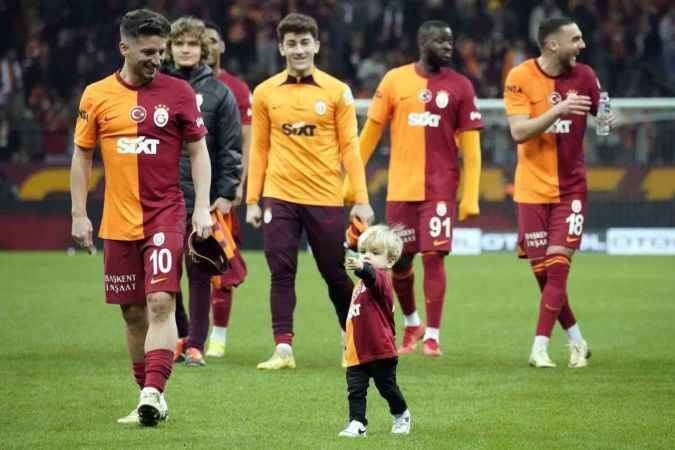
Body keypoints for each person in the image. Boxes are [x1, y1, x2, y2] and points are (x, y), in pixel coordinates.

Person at [70, 9, 212, 426]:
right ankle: (148, 396)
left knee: (160, 302)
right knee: (132, 313)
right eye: (148, 51)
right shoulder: (96, 95)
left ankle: (153, 391)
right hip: (117, 220)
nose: (157, 58)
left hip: (166, 214)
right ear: (124, 47)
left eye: (161, 50)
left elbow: (198, 150)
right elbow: (82, 155)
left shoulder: (180, 92)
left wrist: (201, 205)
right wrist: (79, 214)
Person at [344, 20, 483, 357]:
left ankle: (433, 335)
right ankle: (412, 322)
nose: (449, 47)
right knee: (400, 261)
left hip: (440, 187)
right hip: (401, 188)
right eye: (442, 41)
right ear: (423, 43)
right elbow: (370, 135)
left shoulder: (461, 86)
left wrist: (471, 195)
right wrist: (350, 182)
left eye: (451, 41)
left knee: (434, 256)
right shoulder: (394, 80)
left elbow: (473, 146)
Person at [246, 13, 374, 370]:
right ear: (281, 47)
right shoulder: (265, 92)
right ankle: (283, 348)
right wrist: (252, 199)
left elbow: (351, 147)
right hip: (279, 194)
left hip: (325, 196)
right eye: (292, 43)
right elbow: (258, 149)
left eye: (305, 42)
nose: (299, 49)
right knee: (281, 270)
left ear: (316, 45)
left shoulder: (337, 91)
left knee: (335, 272)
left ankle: (353, 338)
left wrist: (361, 199)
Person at [503, 16, 616, 368]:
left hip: (571, 190)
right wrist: (559, 109)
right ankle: (578, 341)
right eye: (575, 39)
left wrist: (607, 119)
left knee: (557, 267)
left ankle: (539, 348)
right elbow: (519, 132)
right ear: (553, 44)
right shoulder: (519, 77)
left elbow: (604, 111)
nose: (582, 45)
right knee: (543, 273)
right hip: (531, 188)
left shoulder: (585, 76)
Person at [164, 16, 242, 367]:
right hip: (162, 195)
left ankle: (196, 343)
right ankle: (180, 334)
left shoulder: (219, 92)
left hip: (202, 197)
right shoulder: (157, 86)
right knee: (166, 271)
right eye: (179, 43)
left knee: (199, 270)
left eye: (192, 44)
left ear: (202, 48)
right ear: (170, 47)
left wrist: (225, 192)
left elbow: (230, 147)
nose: (185, 49)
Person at [202, 20, 252, 358]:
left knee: (221, 263)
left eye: (211, 40)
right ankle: (185, 335)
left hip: (220, 189)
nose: (205, 45)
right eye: (198, 40)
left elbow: (246, 142)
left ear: (222, 46)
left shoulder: (235, 88)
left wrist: (237, 185)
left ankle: (218, 335)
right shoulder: (174, 84)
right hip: (182, 189)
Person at [340, 225, 411, 437]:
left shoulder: (382, 280)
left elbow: (372, 276)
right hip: (357, 350)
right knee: (355, 390)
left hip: (380, 349)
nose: (367, 256)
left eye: (375, 253)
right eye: (364, 252)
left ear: (390, 261)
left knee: (386, 387)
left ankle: (401, 413)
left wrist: (362, 266)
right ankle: (357, 423)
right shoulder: (360, 285)